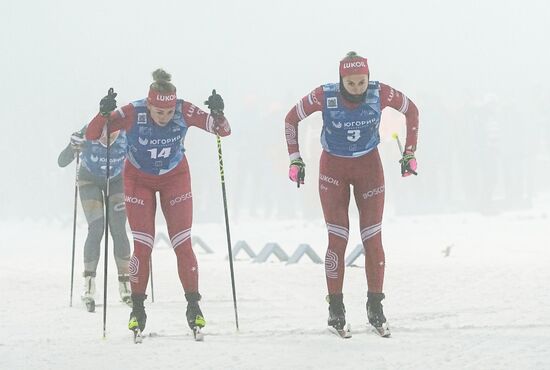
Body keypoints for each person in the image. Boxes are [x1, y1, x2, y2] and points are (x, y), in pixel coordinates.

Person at [85, 69, 231, 337]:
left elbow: (223, 131)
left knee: (182, 243)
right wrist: (102, 113)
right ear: (149, 104)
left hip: (174, 177)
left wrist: (218, 113)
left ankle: (193, 306)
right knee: (143, 245)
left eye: (168, 112)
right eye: (158, 112)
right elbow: (93, 134)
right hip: (138, 179)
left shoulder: (183, 110)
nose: (164, 117)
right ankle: (137, 310)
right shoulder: (133, 112)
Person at [284, 51, 419, 337]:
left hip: (369, 168)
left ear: (368, 78)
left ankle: (375, 305)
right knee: (338, 238)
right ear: (341, 79)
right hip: (333, 168)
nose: (357, 89)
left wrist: (409, 152)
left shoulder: (380, 92)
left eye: (361, 82)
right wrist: (295, 158)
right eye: (351, 83)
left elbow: (412, 110)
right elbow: (290, 119)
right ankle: (336, 308)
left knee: (372, 238)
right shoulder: (324, 95)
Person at [57, 124, 132, 312]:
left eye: (111, 134)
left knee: (118, 228)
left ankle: (125, 286)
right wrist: (71, 145)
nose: (106, 138)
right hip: (89, 179)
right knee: (96, 227)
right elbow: (62, 161)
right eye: (101, 134)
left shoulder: (126, 132)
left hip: (116, 180)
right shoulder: (88, 131)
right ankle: (89, 285)